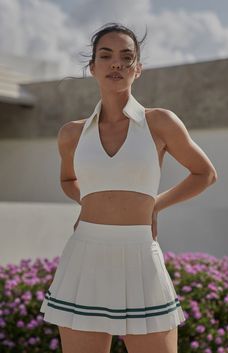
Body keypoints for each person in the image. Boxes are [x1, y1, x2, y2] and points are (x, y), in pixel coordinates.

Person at [40, 22, 218, 353]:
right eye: (106, 56)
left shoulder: (160, 122)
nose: (116, 63)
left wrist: (155, 205)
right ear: (92, 67)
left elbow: (204, 173)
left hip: (140, 254)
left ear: (138, 69)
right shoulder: (72, 134)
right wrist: (90, 201)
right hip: (84, 255)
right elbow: (67, 180)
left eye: (126, 56)